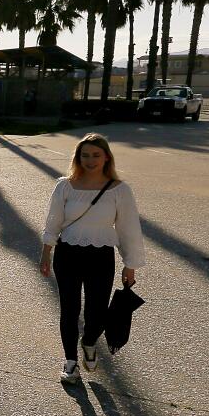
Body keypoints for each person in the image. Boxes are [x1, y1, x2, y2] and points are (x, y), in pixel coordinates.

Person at [40, 133, 144, 384]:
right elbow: (53, 222)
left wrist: (130, 265)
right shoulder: (65, 186)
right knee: (69, 309)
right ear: (77, 157)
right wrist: (46, 253)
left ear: (106, 157)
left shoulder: (119, 189)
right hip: (68, 254)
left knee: (97, 312)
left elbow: (129, 228)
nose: (90, 160)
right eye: (84, 155)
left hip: (101, 256)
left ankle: (88, 342)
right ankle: (70, 363)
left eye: (96, 155)